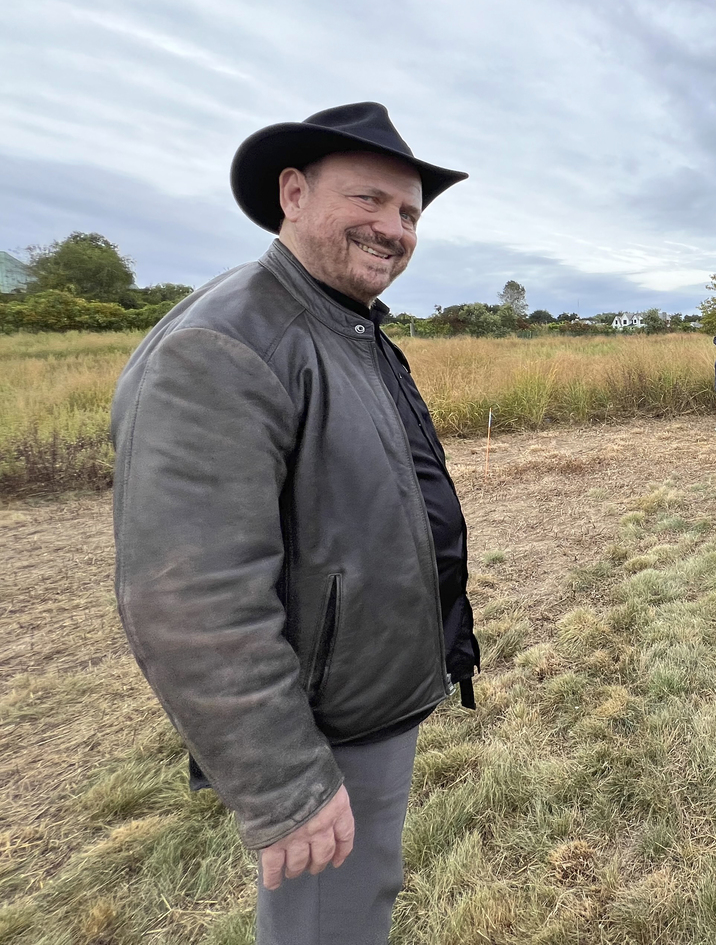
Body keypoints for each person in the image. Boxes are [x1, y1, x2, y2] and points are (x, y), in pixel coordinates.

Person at [111, 103, 479, 943]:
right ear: (293, 193)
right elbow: (192, 598)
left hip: (365, 702)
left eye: (410, 213)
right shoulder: (229, 341)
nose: (394, 229)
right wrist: (286, 785)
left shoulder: (344, 326)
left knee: (361, 900)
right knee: (327, 925)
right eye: (371, 200)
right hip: (322, 730)